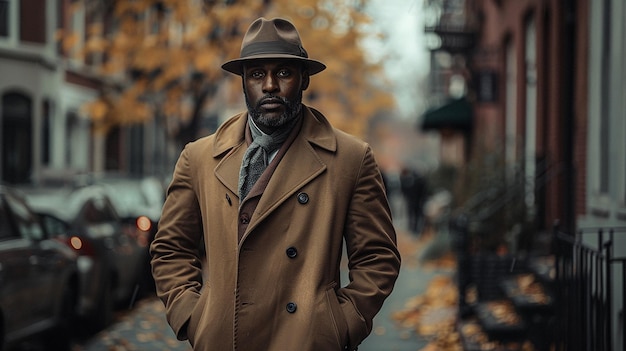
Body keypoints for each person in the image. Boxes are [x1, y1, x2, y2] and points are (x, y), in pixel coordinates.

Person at [150, 17, 401, 351]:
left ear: (304, 79)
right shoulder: (198, 158)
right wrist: (194, 319)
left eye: (283, 72)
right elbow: (171, 250)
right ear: (243, 82)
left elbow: (377, 258)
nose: (269, 85)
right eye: (256, 74)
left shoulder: (351, 159)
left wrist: (339, 325)